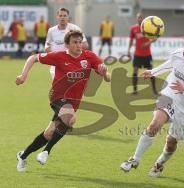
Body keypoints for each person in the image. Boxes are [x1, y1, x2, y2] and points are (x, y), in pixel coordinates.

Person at [120, 30, 184, 177]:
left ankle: (159, 163)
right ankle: (134, 159)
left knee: (171, 143)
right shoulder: (177, 54)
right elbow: (169, 66)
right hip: (169, 95)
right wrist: (152, 72)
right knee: (155, 124)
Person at [16, 30, 111, 172]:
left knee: (49, 133)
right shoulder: (59, 56)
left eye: (80, 42)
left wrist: (104, 73)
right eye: (75, 42)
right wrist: (23, 75)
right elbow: (33, 58)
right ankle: (46, 152)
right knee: (71, 119)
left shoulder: (89, 56)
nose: (79, 45)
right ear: (67, 45)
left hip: (74, 101)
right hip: (57, 96)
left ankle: (23, 155)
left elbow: (108, 77)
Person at [45, 7, 89, 78]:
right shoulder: (51, 30)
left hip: (72, 62)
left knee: (72, 85)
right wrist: (49, 50)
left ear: (68, 17)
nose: (62, 18)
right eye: (60, 16)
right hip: (57, 63)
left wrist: (73, 47)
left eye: (65, 16)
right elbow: (47, 45)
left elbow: (85, 45)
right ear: (57, 17)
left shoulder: (75, 29)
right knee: (59, 86)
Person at [128, 13, 157, 95]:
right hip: (137, 55)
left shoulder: (148, 27)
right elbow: (131, 40)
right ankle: (135, 91)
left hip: (147, 55)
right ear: (136, 18)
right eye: (138, 17)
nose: (139, 19)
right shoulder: (133, 28)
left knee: (151, 72)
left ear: (143, 18)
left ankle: (154, 91)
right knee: (135, 71)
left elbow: (155, 38)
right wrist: (128, 50)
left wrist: (148, 43)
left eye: (141, 17)